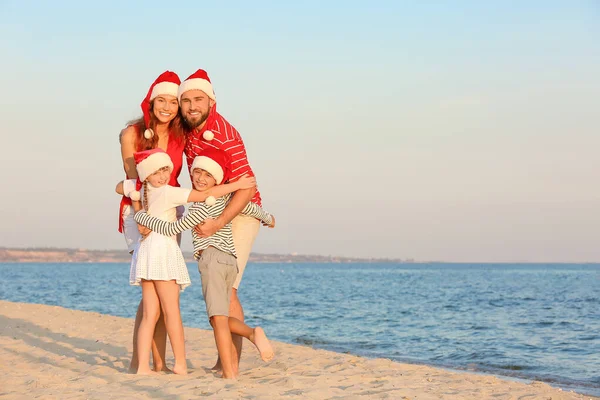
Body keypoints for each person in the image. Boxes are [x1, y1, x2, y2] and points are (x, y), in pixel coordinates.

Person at [133, 147, 275, 379]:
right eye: (197, 173)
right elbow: (249, 207)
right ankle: (240, 349)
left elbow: (172, 228)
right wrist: (269, 218)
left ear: (216, 179)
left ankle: (243, 348)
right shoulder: (226, 199)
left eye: (207, 175)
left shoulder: (201, 207)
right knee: (218, 316)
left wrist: (142, 217)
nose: (200, 178)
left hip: (212, 258)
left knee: (217, 318)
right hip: (230, 259)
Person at [177, 69, 266, 371]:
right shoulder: (187, 129)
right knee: (218, 289)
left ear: (211, 101)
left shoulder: (226, 134)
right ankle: (224, 361)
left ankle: (231, 362)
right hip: (212, 210)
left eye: (198, 99)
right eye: (186, 100)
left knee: (227, 289)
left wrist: (217, 223)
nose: (192, 106)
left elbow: (248, 184)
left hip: (239, 212)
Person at [118, 71, 185, 373]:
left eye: (174, 101)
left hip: (169, 212)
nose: (167, 107)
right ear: (151, 100)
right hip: (140, 212)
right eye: (162, 100)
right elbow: (133, 180)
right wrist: (142, 217)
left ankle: (156, 362)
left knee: (163, 291)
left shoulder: (181, 134)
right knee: (153, 290)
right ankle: (140, 362)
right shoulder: (131, 133)